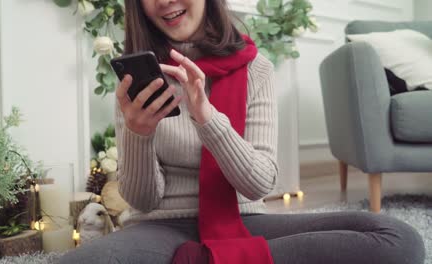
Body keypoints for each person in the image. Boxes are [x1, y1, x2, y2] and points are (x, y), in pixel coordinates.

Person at [59, 0, 425, 263]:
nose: (164, 2)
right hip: (160, 227)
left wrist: (207, 117)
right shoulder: (136, 81)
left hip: (244, 221)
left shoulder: (256, 70)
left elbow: (259, 183)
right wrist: (139, 135)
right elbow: (143, 200)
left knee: (399, 240)